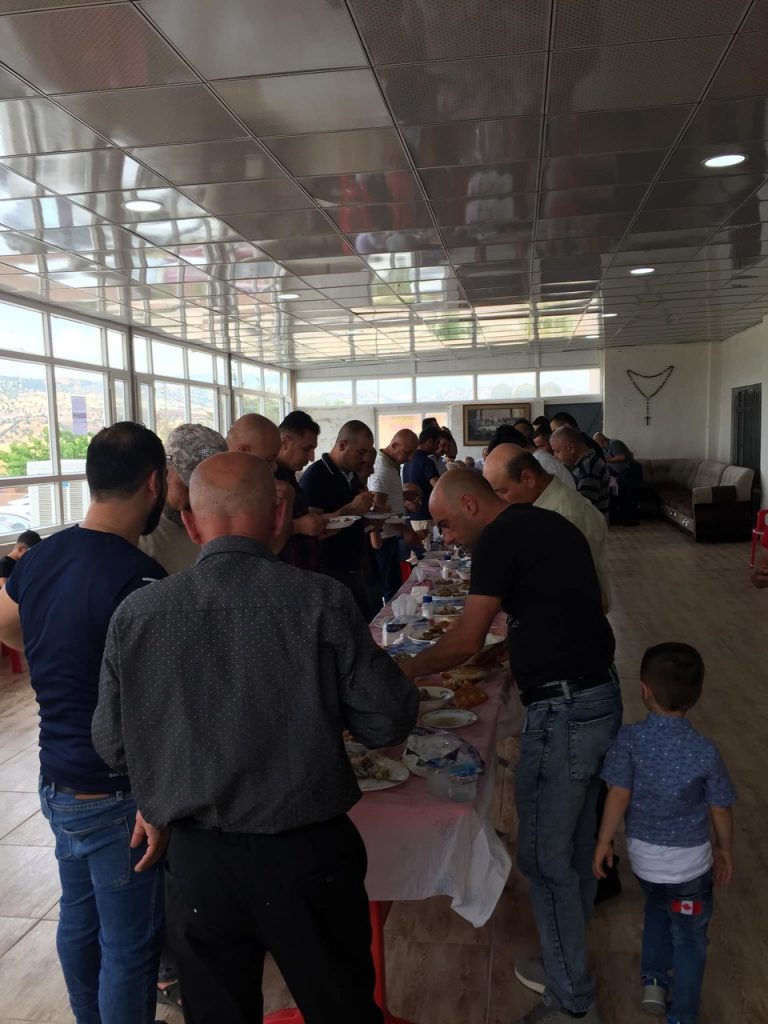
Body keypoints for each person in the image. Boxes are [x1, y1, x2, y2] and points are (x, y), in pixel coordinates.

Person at [92, 452, 419, 1024]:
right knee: (341, 1008)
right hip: (308, 853)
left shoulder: (138, 614)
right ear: (278, 516)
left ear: (191, 524)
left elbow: (113, 745)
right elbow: (387, 720)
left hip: (198, 862)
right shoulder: (321, 600)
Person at [401, 471, 620, 1024]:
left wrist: (400, 671)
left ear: (471, 504)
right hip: (598, 695)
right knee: (573, 849)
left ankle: (572, 1004)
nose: (447, 537)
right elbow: (576, 603)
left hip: (564, 710)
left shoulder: (498, 538)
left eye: (448, 524)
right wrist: (520, 644)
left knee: (544, 859)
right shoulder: (546, 522)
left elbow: (467, 637)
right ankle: (566, 964)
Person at [0, 422, 169, 1024]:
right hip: (117, 794)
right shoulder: (140, 579)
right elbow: (155, 706)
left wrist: (59, 656)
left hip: (57, 780)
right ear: (156, 484)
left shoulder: (40, 556)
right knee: (129, 946)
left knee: (78, 918)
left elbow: (8, 624)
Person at [594, 643, 735, 1024]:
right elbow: (720, 807)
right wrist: (724, 849)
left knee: (657, 908)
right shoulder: (705, 751)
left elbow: (618, 794)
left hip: (645, 862)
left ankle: (654, 983)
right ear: (697, 694)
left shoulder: (629, 740)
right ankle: (683, 1014)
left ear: (645, 690)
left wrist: (604, 842)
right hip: (690, 868)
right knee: (690, 938)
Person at [482, 445, 610, 611]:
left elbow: (564, 589)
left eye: (502, 491)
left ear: (528, 478)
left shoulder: (563, 515)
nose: (499, 501)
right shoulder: (540, 506)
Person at [298, 420, 377, 617]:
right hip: (329, 568)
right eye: (361, 452)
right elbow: (311, 525)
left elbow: (354, 518)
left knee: (366, 618)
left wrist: (371, 521)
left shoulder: (352, 476)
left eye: (367, 453)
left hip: (354, 564)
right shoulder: (316, 476)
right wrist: (351, 508)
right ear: (342, 445)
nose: (365, 460)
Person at [139, 423, 227, 573]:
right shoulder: (141, 535)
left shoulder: (230, 524)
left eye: (213, 489)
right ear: (163, 474)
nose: (200, 499)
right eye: (189, 487)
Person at [368, 429, 421, 601]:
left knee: (394, 586)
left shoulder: (391, 465)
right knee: (387, 590)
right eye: (407, 453)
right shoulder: (382, 469)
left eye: (412, 453)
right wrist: (405, 530)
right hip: (383, 538)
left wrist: (404, 500)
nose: (410, 458)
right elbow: (378, 509)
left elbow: (387, 498)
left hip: (391, 536)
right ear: (394, 445)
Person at [275, 410, 327, 571]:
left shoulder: (289, 474)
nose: (311, 457)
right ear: (284, 443)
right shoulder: (267, 477)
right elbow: (256, 532)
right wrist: (298, 526)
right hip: (283, 575)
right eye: (306, 449)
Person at [551, 425, 611, 521]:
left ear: (571, 448)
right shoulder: (583, 463)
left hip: (591, 524)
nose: (555, 456)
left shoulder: (588, 468)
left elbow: (584, 505)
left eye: (557, 451)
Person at [594, 431, 641, 527]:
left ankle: (633, 520)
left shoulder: (614, 443)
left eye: (596, 443)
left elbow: (621, 457)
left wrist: (605, 460)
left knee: (630, 496)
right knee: (623, 496)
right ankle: (624, 519)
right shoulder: (605, 449)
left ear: (601, 440)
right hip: (622, 474)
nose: (596, 445)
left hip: (631, 471)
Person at [402, 426, 442, 533]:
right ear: (430, 441)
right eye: (437, 443)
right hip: (425, 515)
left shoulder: (407, 462)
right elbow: (438, 487)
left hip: (410, 515)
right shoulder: (426, 462)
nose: (438, 447)